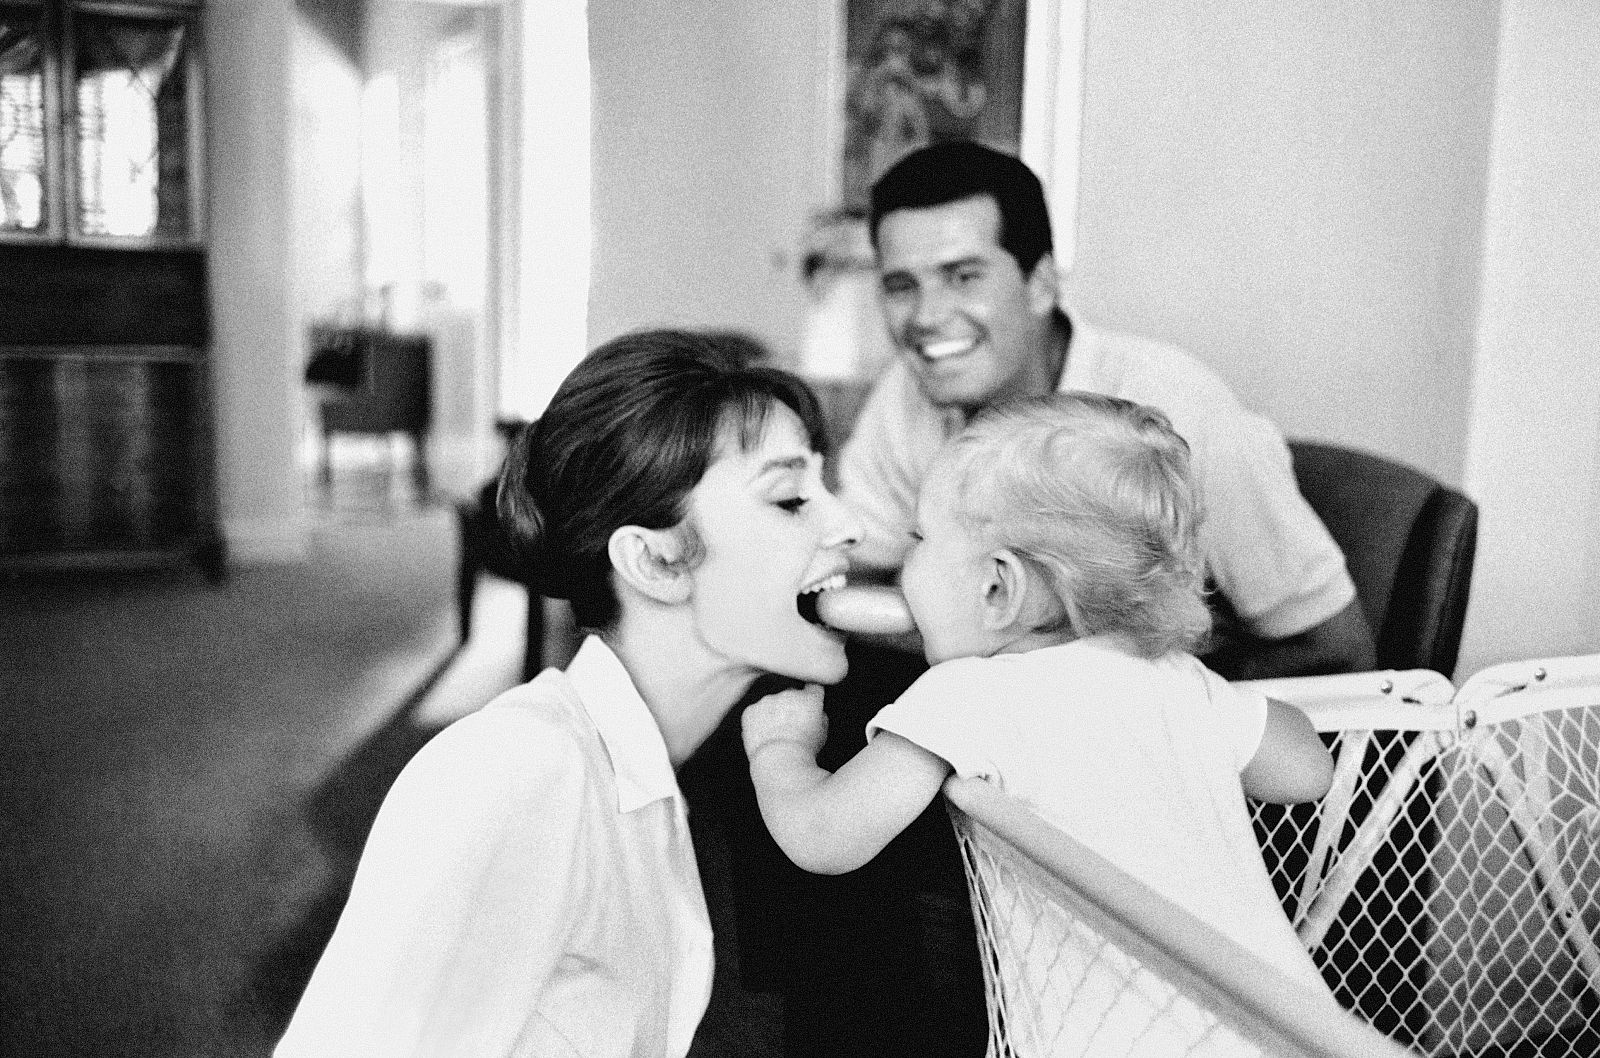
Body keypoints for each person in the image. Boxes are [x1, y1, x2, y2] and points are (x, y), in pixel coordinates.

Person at [274, 329, 864, 1058]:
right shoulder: (519, 775)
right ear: (654, 560)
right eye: (791, 498)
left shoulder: (641, 779)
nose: (850, 526)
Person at [744, 393, 1338, 1051]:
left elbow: (824, 837)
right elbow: (1306, 771)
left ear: (997, 588)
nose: (904, 566)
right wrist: (1219, 706)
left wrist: (782, 749)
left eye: (919, 540)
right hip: (1292, 1034)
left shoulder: (966, 695)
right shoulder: (1172, 678)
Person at [840, 139, 1373, 678]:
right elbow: (854, 570)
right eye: (901, 285)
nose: (927, 317)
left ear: (1041, 284)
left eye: (964, 276)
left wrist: (1148, 711)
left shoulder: (1175, 410)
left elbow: (1337, 649)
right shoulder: (908, 393)